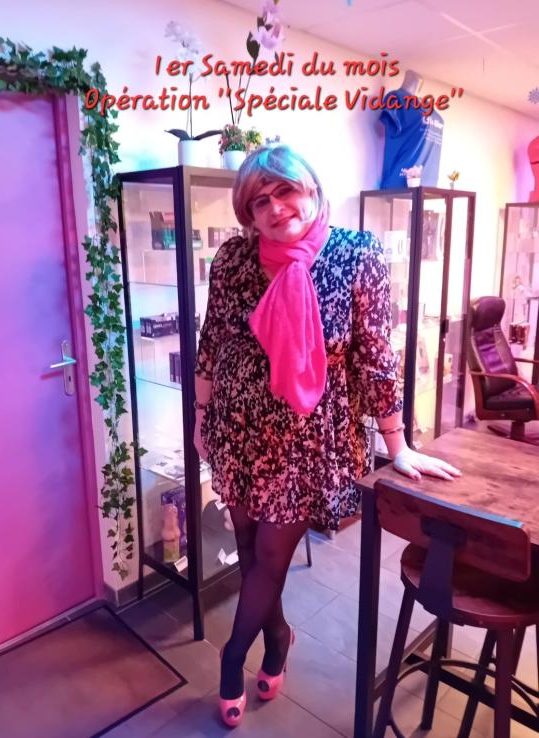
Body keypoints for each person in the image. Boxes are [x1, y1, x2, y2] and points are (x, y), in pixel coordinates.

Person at [193, 145, 460, 727]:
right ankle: (279, 636)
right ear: (248, 214)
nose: (274, 207)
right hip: (237, 429)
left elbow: (375, 357)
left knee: (270, 555)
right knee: (250, 549)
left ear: (310, 188)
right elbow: (212, 340)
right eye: (259, 201)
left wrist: (397, 445)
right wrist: (201, 415)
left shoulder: (355, 255)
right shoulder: (234, 259)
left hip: (305, 439)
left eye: (284, 190)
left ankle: (233, 658)